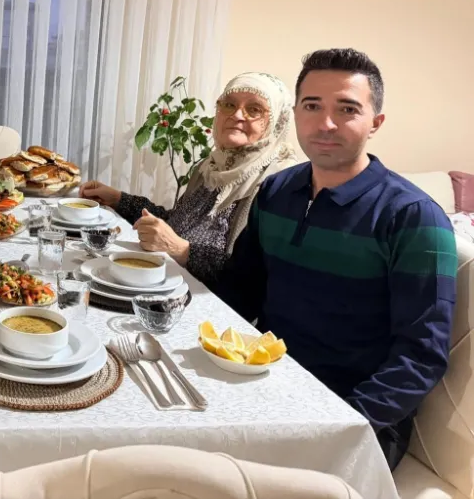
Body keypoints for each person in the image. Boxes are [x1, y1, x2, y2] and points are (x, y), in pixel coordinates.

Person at [217, 48, 457, 471]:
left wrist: (337, 425)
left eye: (347, 109)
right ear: (296, 114)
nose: (326, 124)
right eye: (312, 106)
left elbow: (420, 356)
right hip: (266, 385)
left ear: (375, 122)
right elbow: (240, 291)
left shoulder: (413, 217)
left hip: (354, 418)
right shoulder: (276, 191)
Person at [79, 72, 299, 288]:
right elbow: (176, 224)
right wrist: (118, 199)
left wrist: (182, 250)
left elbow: (254, 278)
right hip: (169, 281)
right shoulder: (211, 168)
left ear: (276, 122)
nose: (237, 115)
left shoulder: (279, 185)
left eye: (254, 109)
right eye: (229, 105)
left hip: (212, 303)